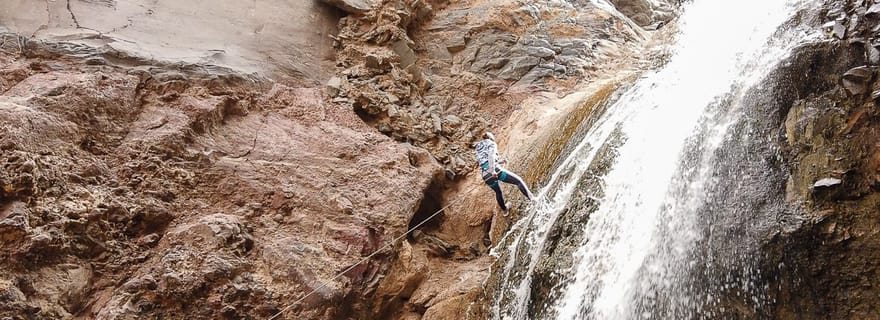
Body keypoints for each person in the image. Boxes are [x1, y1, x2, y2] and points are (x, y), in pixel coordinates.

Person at [474, 131, 534, 214]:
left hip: (485, 175)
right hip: (494, 171)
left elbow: (485, 161)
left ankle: (505, 211)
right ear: (490, 137)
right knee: (518, 181)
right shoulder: (491, 143)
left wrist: (500, 161)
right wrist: (493, 170)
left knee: (498, 192)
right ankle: (533, 199)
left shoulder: (479, 147)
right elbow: (491, 155)